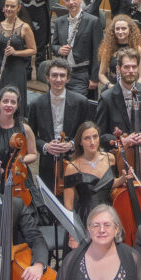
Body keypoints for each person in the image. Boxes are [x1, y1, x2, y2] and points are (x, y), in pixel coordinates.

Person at [28, 58, 89, 192]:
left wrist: (72, 144)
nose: (58, 79)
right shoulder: (36, 104)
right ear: (47, 78)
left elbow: (87, 132)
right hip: (47, 162)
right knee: (48, 199)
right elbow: (30, 135)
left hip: (74, 159)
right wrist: (45, 146)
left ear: (68, 79)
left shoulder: (81, 102)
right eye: (54, 75)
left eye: (62, 75)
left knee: (74, 198)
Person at [62, 122, 122, 245]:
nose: (92, 142)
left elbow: (108, 183)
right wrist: (73, 232)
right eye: (87, 138)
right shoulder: (72, 167)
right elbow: (68, 206)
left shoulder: (110, 158)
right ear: (80, 142)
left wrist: (123, 179)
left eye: (95, 136)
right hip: (86, 217)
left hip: (108, 213)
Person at [96, 47, 141, 151]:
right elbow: (100, 134)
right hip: (117, 156)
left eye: (134, 67)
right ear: (118, 69)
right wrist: (122, 140)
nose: (131, 71)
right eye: (126, 67)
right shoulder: (106, 97)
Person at [0, 0, 36, 114]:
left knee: (13, 100)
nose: (8, 9)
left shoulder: (25, 27)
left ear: (18, 8)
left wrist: (16, 52)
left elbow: (33, 50)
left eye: (12, 6)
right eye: (7, 6)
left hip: (15, 69)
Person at [0, 85, 37, 182]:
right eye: (5, 101)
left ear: (17, 106)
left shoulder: (26, 129)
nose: (9, 105)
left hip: (20, 179)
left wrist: (20, 160)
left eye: (13, 102)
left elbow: (33, 154)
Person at [50, 0, 102, 95]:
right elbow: (53, 46)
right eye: (67, 0)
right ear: (64, 2)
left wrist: (94, 77)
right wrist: (59, 50)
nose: (71, 2)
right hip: (63, 72)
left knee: (77, 105)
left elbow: (98, 52)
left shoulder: (93, 21)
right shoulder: (60, 21)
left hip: (82, 73)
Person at [97, 15, 141, 90]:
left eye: (124, 28)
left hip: (133, 89)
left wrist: (133, 90)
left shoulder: (138, 49)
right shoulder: (108, 49)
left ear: (130, 29)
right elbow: (101, 74)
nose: (120, 31)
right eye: (117, 29)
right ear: (113, 30)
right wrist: (111, 86)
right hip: (113, 88)